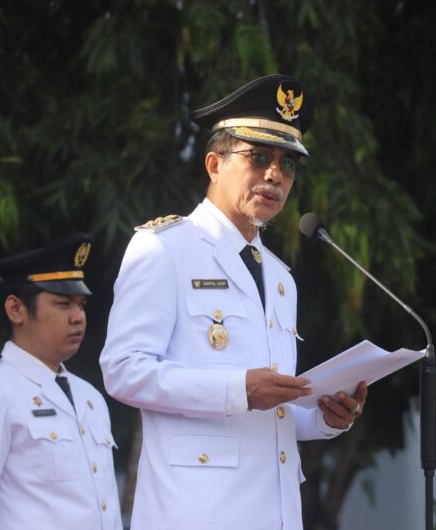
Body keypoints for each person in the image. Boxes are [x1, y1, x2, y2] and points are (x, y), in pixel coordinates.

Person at [100, 74, 367, 530]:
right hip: (196, 513)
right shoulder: (164, 248)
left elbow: (273, 414)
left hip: (274, 514)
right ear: (214, 164)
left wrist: (326, 418)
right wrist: (236, 389)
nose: (274, 175)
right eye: (259, 157)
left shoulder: (280, 278)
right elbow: (123, 371)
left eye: (288, 165)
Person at [0, 233, 123, 530]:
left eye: (81, 305)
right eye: (63, 304)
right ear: (16, 309)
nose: (77, 317)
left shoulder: (89, 396)